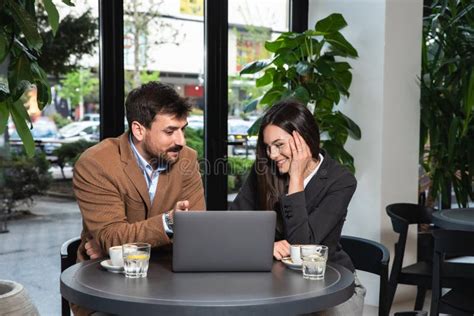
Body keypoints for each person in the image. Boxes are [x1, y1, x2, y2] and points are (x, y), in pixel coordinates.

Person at [230, 99, 365, 315]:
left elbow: (303, 248)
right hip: (276, 282)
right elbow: (233, 224)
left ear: (302, 139)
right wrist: (264, 246)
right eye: (267, 147)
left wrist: (296, 178)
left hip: (330, 286)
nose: (272, 155)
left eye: (279, 145)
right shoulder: (265, 171)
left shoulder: (341, 181)